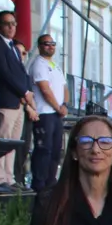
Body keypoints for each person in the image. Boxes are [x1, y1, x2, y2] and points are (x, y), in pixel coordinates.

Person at [0, 10, 33, 189]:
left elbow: (21, 73)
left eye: (14, 23)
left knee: (13, 141)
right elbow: (5, 74)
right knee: (3, 138)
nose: (12, 27)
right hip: (7, 100)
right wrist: (24, 91)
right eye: (7, 24)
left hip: (18, 102)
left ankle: (9, 176)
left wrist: (26, 92)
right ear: (0, 26)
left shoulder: (13, 47)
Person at [30, 34, 68, 191]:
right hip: (45, 113)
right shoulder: (39, 64)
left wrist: (64, 104)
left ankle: (51, 183)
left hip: (56, 114)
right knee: (43, 149)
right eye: (46, 44)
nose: (50, 46)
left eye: (53, 44)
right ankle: (39, 184)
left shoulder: (55, 65)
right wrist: (58, 107)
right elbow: (44, 89)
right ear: (39, 46)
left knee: (56, 151)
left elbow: (65, 87)